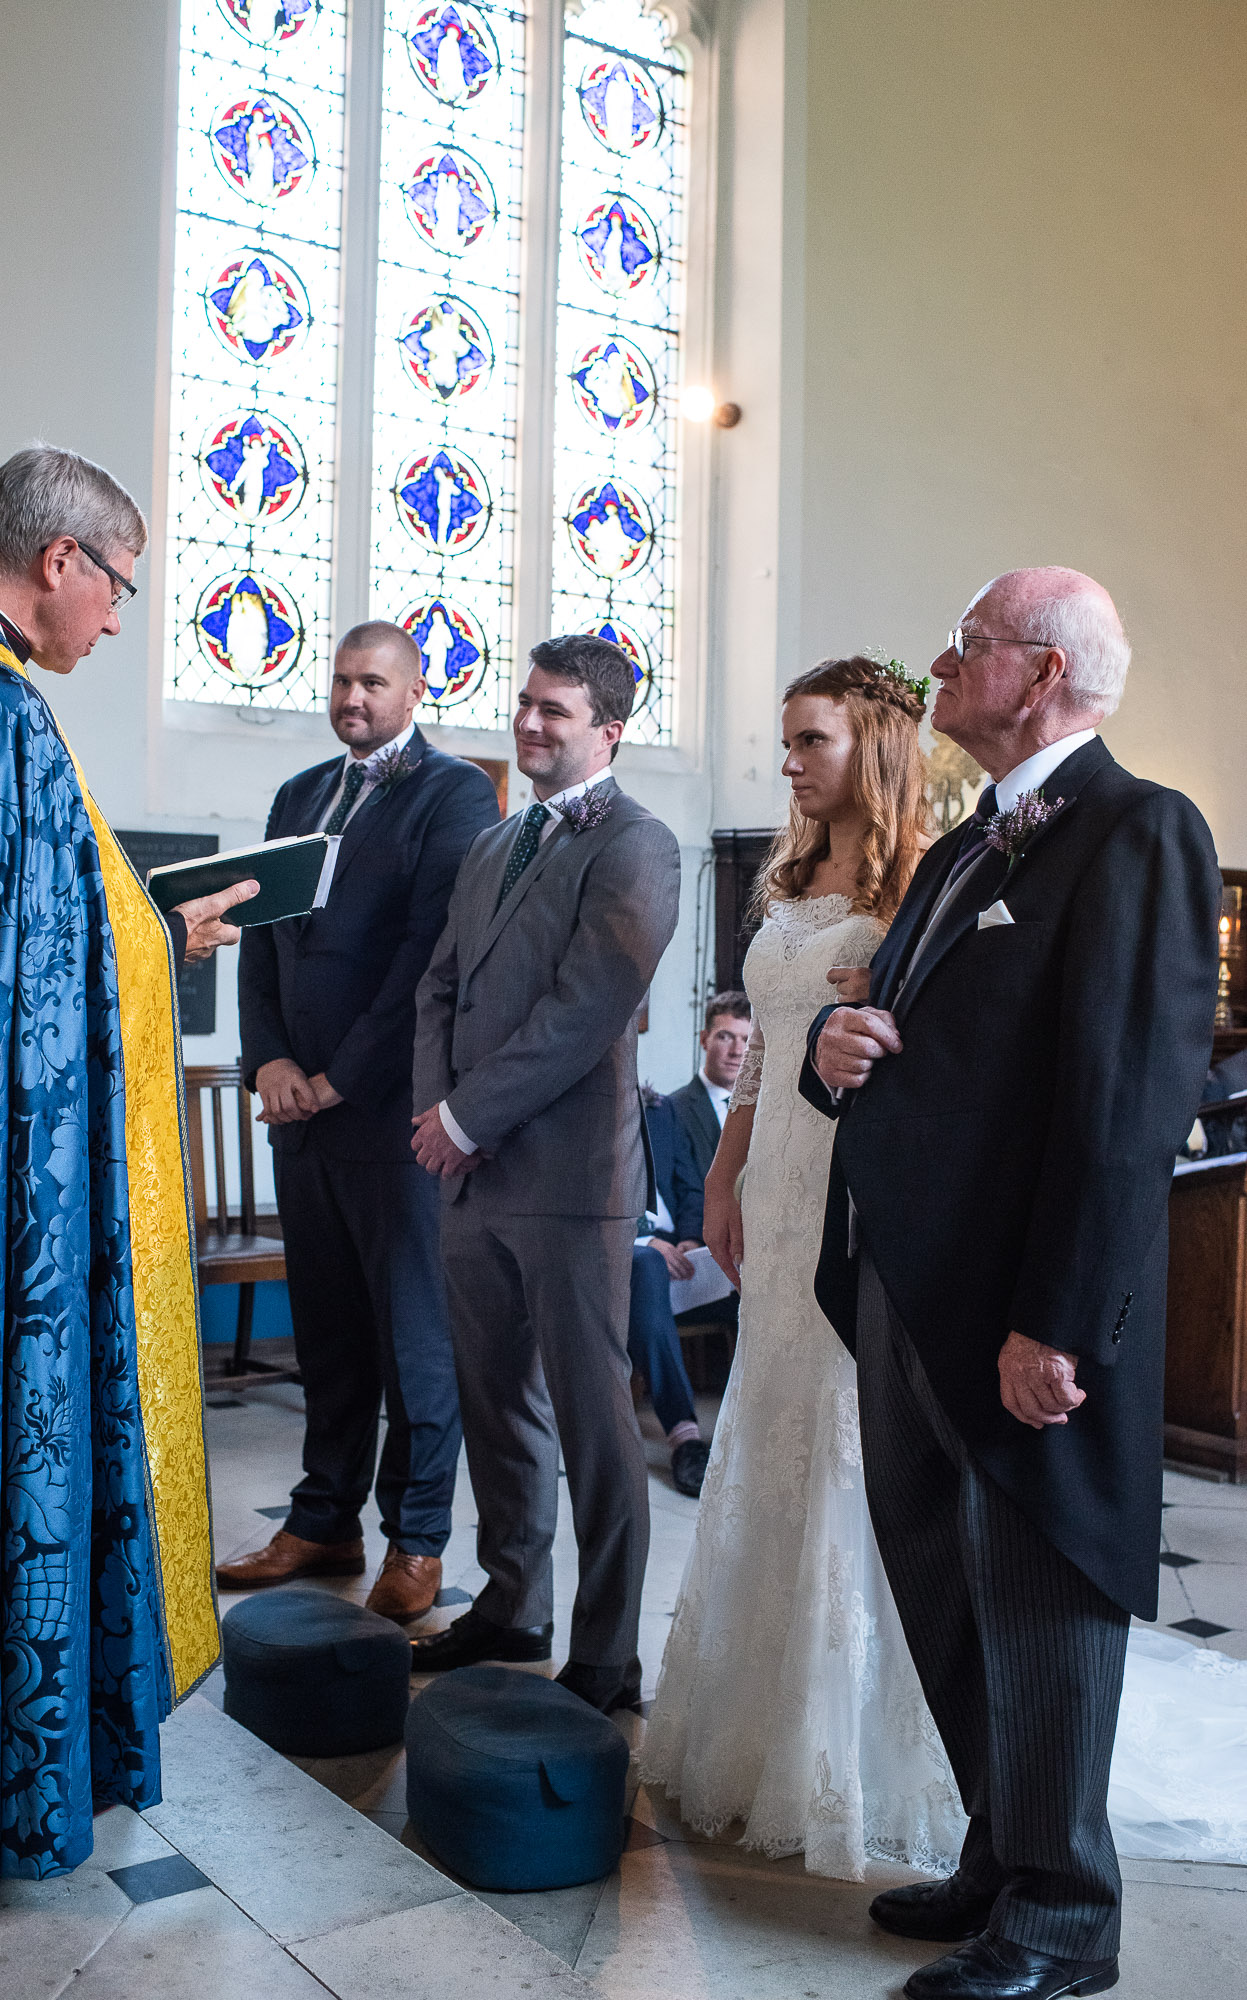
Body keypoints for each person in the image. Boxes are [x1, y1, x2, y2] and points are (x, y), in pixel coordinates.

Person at [804, 570, 1220, 2000]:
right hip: (908, 1284)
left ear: (1040, 672)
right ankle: (1000, 1854)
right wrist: (833, 1053)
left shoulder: (1137, 828)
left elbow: (1124, 1100)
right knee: (942, 1581)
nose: (938, 663)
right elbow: (901, 1038)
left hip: (1017, 1304)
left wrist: (1058, 1320)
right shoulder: (962, 847)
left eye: (966, 643)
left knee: (1040, 1603)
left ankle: (1062, 1915)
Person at [0, 446, 251, 1898]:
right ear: (59, 560)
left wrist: (137, 925)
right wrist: (164, 942)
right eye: (118, 585)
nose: (116, 618)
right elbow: (36, 985)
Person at [641, 657, 960, 1874]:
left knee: (843, 1429)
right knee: (766, 1419)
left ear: (872, 743)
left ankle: (846, 1745)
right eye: (785, 741)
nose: (788, 762)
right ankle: (751, 1713)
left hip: (855, 1189)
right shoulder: (786, 880)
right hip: (770, 1180)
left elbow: (938, 1054)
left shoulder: (922, 877)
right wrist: (725, 1172)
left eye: (810, 739)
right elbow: (767, 1056)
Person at [408, 633, 681, 1713]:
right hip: (471, 1174)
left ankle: (607, 1654)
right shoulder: (494, 842)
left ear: (607, 731)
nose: (528, 722)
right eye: (525, 703)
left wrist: (467, 1115)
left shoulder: (638, 844)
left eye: (554, 710)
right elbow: (439, 987)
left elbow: (588, 1007)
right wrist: (439, 1117)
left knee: (594, 1425)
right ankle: (513, 1602)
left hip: (570, 1179)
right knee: (495, 1406)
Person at [225, 623, 500, 1619]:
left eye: (373, 682)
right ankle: (322, 1520)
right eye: (342, 680)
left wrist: (341, 1076)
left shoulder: (453, 793)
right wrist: (269, 1060)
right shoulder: (298, 795)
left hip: (389, 1115)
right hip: (298, 1115)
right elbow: (258, 934)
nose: (353, 697)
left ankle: (415, 1539)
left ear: (415, 690)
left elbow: (428, 955)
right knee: (330, 1335)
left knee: (413, 1342)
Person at [629, 994, 751, 1497]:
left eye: (745, 1040)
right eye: (725, 1036)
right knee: (646, 1267)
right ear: (704, 1040)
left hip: (687, 1250)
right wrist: (645, 1239)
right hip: (635, 1251)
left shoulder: (658, 1112)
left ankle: (756, 1432)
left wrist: (690, 1238)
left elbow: (687, 1185)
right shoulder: (675, 1106)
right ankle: (685, 1438)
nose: (736, 1049)